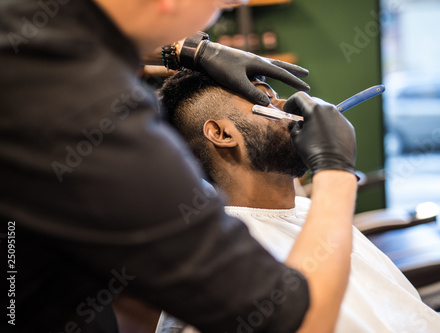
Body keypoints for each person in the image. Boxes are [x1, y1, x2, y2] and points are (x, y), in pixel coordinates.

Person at [0, 0, 358, 332]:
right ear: (219, 132)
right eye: (221, 4)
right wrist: (336, 168)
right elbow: (293, 322)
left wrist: (186, 50)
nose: (217, 16)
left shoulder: (26, 28)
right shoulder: (86, 114)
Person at [157, 70, 440, 333]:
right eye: (264, 99)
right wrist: (335, 167)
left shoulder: (304, 212)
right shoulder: (229, 261)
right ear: (222, 133)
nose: (288, 105)